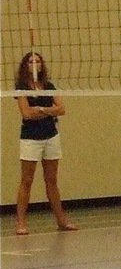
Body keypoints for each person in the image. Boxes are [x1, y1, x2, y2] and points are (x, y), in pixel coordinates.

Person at [13, 52, 77, 236]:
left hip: (51, 136)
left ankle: (61, 220)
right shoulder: (21, 87)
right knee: (27, 180)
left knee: (52, 180)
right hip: (30, 138)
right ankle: (21, 223)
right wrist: (50, 111)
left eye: (38, 61)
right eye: (31, 61)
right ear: (25, 65)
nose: (35, 64)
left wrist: (41, 109)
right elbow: (26, 113)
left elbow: (61, 109)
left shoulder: (48, 86)